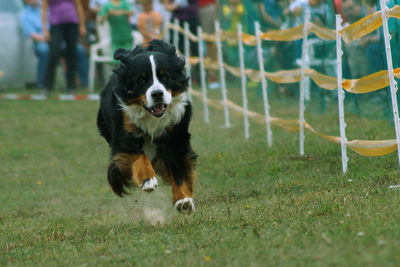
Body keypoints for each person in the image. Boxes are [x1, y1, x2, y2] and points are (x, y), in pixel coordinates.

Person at [42, 0, 86, 94]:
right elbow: (44, 9)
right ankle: (47, 86)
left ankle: (71, 86)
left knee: (71, 54)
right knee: (54, 53)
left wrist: (82, 25)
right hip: (56, 25)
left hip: (72, 24)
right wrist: (45, 29)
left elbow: (78, 6)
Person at [20, 0, 48, 89]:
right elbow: (31, 34)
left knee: (78, 50)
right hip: (40, 41)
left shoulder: (47, 9)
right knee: (44, 50)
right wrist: (46, 39)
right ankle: (42, 83)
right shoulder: (25, 15)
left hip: (54, 38)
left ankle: (83, 83)